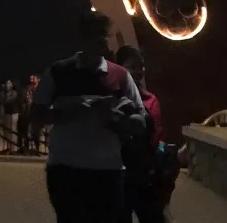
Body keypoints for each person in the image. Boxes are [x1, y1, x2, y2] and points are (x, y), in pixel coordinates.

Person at [32, 12, 146, 223]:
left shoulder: (120, 76)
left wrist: (119, 119)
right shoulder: (59, 72)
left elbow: (141, 121)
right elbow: (37, 115)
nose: (101, 40)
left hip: (108, 171)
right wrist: (77, 111)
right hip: (66, 170)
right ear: (82, 39)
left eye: (104, 34)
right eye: (95, 35)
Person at [116, 46, 168, 223]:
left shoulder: (151, 99)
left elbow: (158, 135)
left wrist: (160, 158)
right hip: (119, 171)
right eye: (132, 66)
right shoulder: (113, 99)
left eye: (141, 66)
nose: (138, 71)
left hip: (144, 172)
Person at [1, 79, 19, 154]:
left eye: (8, 83)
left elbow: (8, 100)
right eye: (6, 83)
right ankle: (8, 147)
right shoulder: (3, 92)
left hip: (13, 113)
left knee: (12, 130)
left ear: (12, 84)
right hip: (6, 112)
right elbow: (1, 101)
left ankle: (13, 149)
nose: (6, 85)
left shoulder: (14, 92)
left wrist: (5, 96)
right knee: (6, 131)